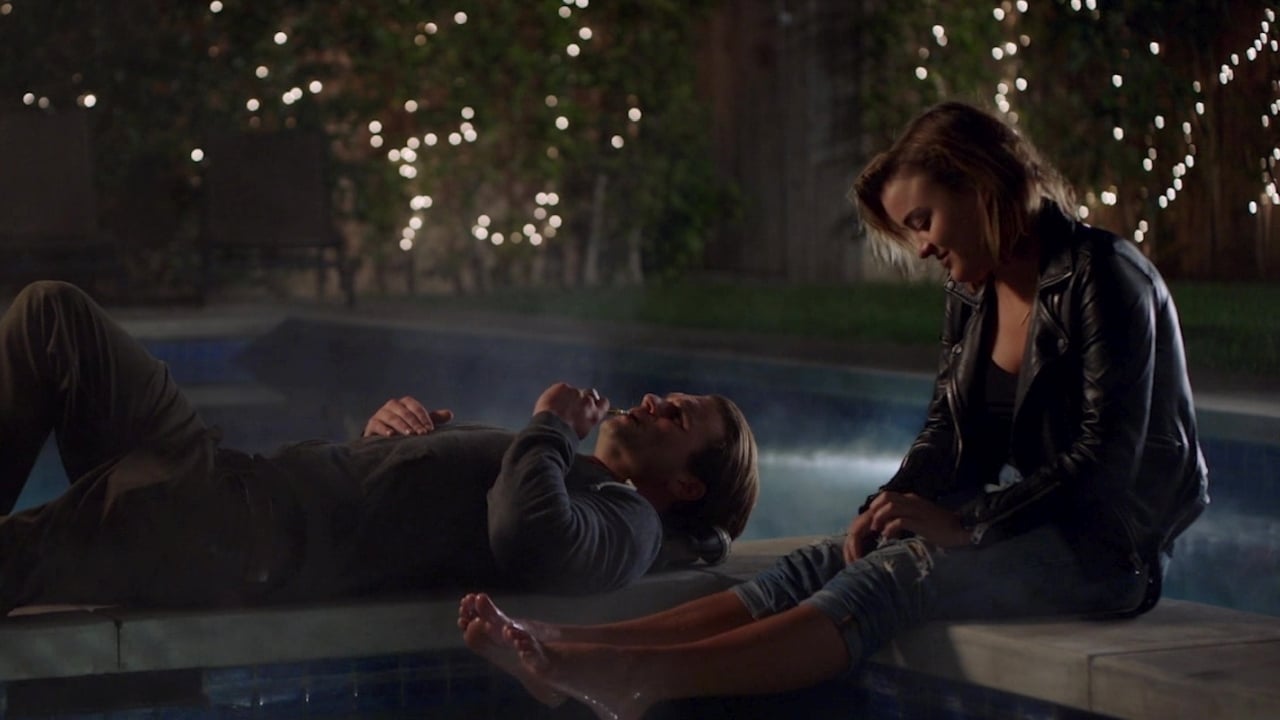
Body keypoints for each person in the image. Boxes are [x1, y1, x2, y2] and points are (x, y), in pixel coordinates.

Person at [458, 101, 1210, 720]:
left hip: (1107, 553)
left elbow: (1104, 464)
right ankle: (570, 645)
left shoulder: (1104, 277)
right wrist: (886, 504)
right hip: (1030, 527)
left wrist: (968, 525)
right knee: (827, 559)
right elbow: (947, 435)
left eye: (923, 220)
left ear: (980, 184)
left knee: (901, 574)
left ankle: (639, 679)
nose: (922, 248)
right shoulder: (974, 292)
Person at [0, 280, 759, 614]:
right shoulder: (574, 476)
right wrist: (382, 444)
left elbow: (532, 534)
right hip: (229, 486)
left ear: (688, 486)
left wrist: (554, 425)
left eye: (677, 418)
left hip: (234, 532)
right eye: (667, 399)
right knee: (52, 316)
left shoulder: (631, 521)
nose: (654, 403)